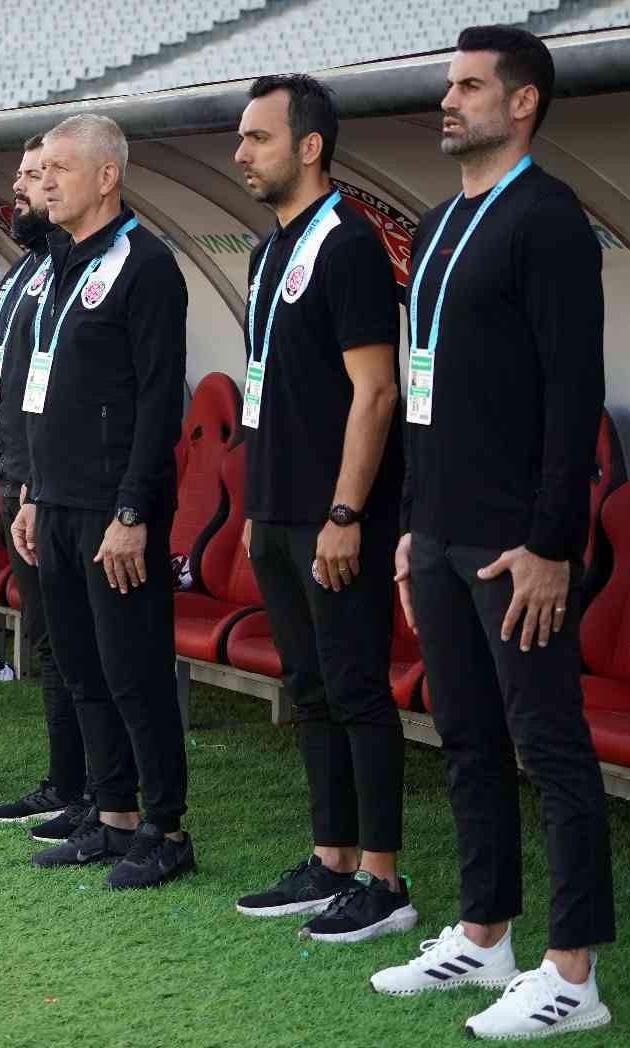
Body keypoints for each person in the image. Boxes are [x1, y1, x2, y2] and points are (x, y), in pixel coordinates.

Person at [371, 28, 614, 1040]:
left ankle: (574, 973)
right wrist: (408, 525)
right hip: (439, 532)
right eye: (446, 84)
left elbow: (573, 392)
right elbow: (425, 396)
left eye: (469, 85)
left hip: (517, 544)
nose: (448, 99)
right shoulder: (433, 226)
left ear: (521, 104)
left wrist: (554, 541)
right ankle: (483, 935)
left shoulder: (548, 219)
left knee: (547, 746)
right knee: (465, 739)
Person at [228, 74, 415, 941]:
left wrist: (345, 515)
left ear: (310, 146)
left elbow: (375, 393)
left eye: (258, 137)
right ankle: (332, 857)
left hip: (337, 517)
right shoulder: (271, 251)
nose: (240, 154)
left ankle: (383, 879)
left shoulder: (348, 244)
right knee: (308, 687)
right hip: (279, 509)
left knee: (356, 689)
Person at [10, 114, 194, 889]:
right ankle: (112, 815)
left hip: (115, 512)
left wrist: (132, 512)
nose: (43, 180)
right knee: (81, 666)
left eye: (59, 168)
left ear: (107, 177)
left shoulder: (146, 266)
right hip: (54, 503)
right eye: (41, 168)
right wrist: (30, 493)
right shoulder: (59, 262)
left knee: (134, 670)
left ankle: (164, 829)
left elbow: (158, 404)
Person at [0, 133, 88, 832]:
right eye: (20, 176)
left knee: (74, 645)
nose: (22, 189)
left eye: (38, 175)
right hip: (14, 479)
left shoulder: (72, 268)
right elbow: (2, 382)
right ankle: (64, 780)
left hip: (53, 488)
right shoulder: (25, 272)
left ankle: (91, 788)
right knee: (48, 641)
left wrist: (33, 485)